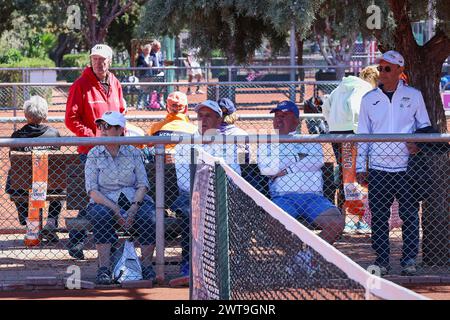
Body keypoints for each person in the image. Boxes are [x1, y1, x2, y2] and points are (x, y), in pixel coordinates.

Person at [356, 50, 431, 276]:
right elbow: (363, 134)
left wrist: (418, 145)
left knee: (409, 215)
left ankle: (408, 260)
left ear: (400, 70)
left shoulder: (414, 95)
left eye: (387, 68)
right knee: (379, 216)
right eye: (380, 68)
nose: (382, 72)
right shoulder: (369, 99)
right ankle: (382, 260)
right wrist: (360, 167)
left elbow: (424, 126)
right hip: (379, 168)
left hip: (406, 168)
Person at [258, 101, 344, 276]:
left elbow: (316, 162)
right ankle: (301, 258)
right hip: (283, 197)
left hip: (313, 198)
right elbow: (268, 170)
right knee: (272, 222)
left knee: (336, 222)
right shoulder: (267, 142)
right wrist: (298, 159)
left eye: (284, 116)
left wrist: (284, 169)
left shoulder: (309, 140)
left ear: (296, 120)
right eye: (277, 116)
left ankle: (307, 257)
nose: (279, 120)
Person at [65, 43, 126, 259]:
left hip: (114, 151)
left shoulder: (116, 83)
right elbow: (71, 119)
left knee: (111, 193)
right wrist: (94, 139)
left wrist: (120, 138)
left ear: (110, 61)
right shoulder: (80, 85)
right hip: (90, 152)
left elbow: (120, 114)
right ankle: (77, 240)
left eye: (102, 60)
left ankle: (109, 241)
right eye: (95, 59)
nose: (98, 63)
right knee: (93, 195)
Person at [85, 111, 156, 284]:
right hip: (104, 200)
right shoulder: (94, 153)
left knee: (148, 216)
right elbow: (92, 190)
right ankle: (104, 269)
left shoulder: (133, 152)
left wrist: (133, 207)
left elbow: (142, 184)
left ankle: (146, 266)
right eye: (101, 125)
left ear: (119, 129)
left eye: (107, 126)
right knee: (100, 215)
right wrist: (115, 209)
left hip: (133, 198)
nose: (102, 129)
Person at [173, 100, 242, 278]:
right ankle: (189, 262)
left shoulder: (229, 144)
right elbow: (183, 181)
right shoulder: (184, 145)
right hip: (191, 195)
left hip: (222, 194)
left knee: (229, 211)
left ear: (219, 119)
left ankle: (226, 263)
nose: (203, 120)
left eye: (208, 116)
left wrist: (214, 189)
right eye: (200, 116)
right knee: (190, 212)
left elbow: (234, 175)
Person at [322, 65, 379, 233]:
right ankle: (358, 219)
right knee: (358, 176)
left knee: (346, 176)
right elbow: (355, 107)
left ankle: (347, 219)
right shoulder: (365, 89)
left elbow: (326, 106)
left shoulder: (342, 87)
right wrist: (358, 127)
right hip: (353, 134)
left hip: (336, 132)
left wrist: (332, 123)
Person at [6, 96, 62, 243]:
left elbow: (12, 161)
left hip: (24, 186)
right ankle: (51, 221)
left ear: (26, 115)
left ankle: (29, 220)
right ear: (45, 115)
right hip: (52, 186)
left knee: (14, 181)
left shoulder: (17, 136)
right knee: (59, 181)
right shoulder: (54, 134)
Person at [135, 44, 153, 109]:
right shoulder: (141, 57)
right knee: (141, 90)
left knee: (147, 90)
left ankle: (146, 104)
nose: (148, 51)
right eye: (146, 50)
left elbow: (152, 65)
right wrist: (146, 65)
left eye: (149, 50)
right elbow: (139, 66)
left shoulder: (151, 57)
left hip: (149, 75)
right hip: (143, 75)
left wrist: (149, 65)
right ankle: (139, 104)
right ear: (144, 50)